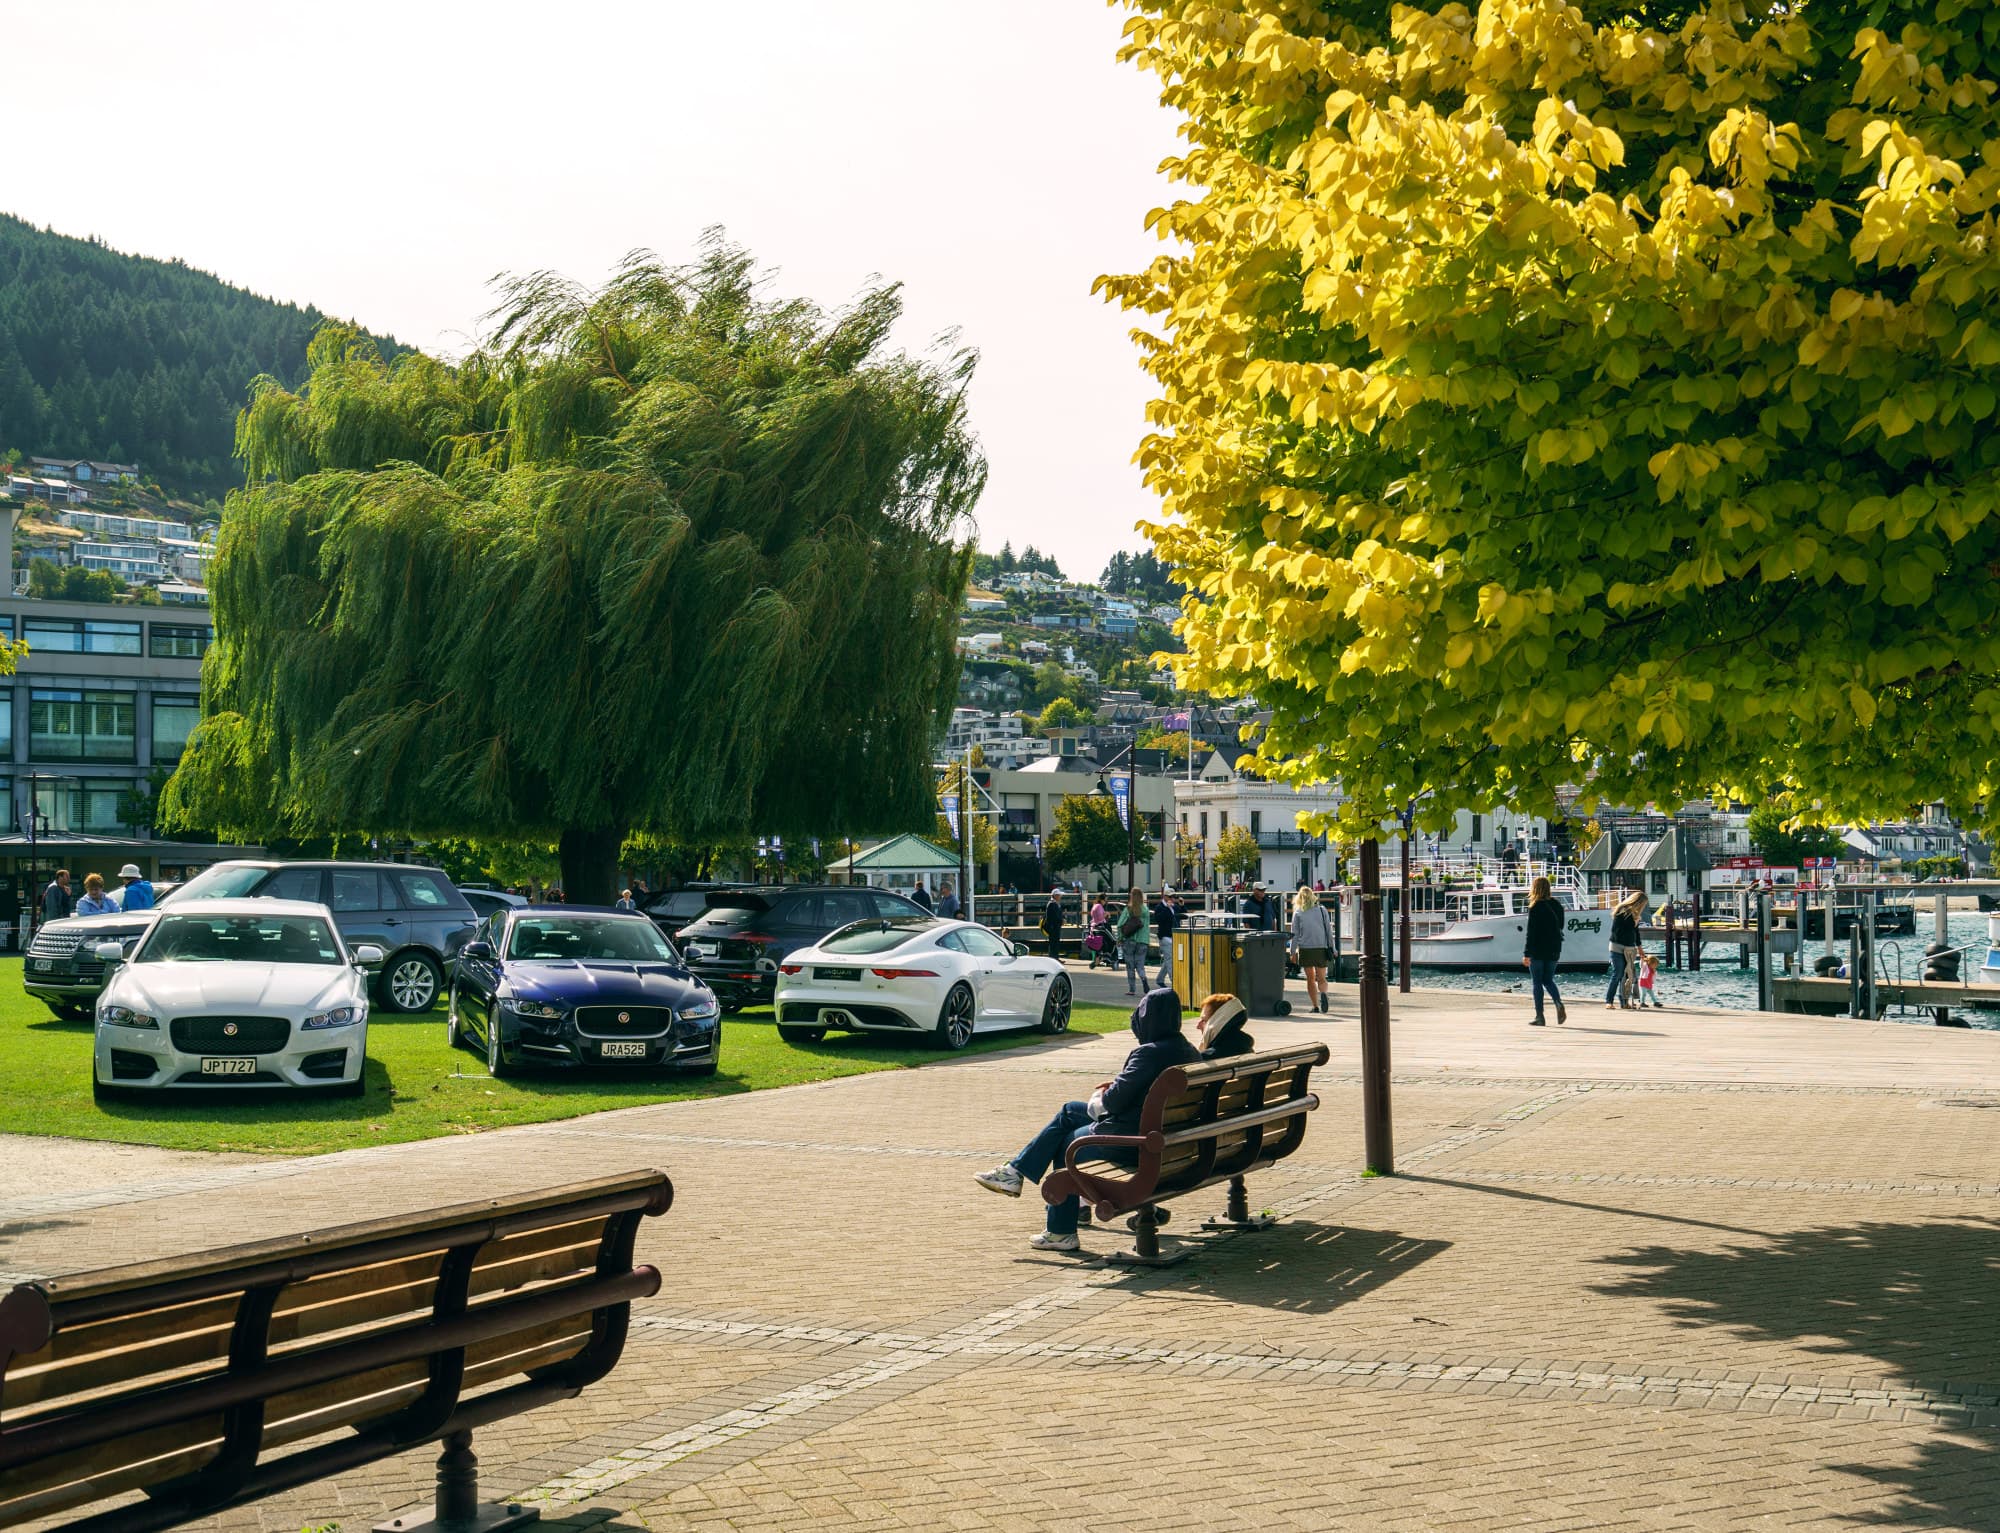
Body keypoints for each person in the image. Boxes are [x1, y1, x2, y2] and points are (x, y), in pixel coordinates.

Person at [972, 989, 1199, 1251]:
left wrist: (1107, 1093)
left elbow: (1113, 1103)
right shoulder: (1188, 1052)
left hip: (1132, 1141)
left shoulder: (1149, 1053)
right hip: (1169, 1142)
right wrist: (1118, 1086)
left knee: (1066, 1140)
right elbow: (1141, 1091)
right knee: (1069, 1112)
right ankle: (1016, 1173)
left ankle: (1058, 1227)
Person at [1521, 874, 1567, 1026]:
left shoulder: (1535, 906)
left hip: (1538, 949)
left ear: (1535, 889)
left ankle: (1540, 1016)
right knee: (1548, 979)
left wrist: (1527, 954)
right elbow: (1561, 926)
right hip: (1554, 947)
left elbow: (1531, 933)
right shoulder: (1557, 905)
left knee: (1537, 982)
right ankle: (1558, 1002)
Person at [1290, 885, 1336, 1014]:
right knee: (1321, 978)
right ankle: (1324, 993)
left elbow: (1295, 934)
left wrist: (1293, 952)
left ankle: (1315, 1006)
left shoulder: (1298, 912)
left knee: (1310, 979)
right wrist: (1333, 948)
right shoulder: (1322, 910)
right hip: (1321, 947)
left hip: (1306, 949)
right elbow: (1328, 931)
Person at [1607, 891, 1646, 1009]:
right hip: (1617, 946)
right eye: (1642, 904)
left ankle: (1624, 1002)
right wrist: (1634, 922)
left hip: (1629, 947)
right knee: (1618, 973)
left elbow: (1636, 933)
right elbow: (1617, 930)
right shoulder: (1622, 910)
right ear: (1637, 902)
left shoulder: (1635, 915)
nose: (1642, 907)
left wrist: (1640, 948)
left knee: (1627, 975)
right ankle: (1609, 1001)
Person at [1195, 992, 1254, 1058]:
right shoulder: (1244, 1046)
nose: (1198, 1026)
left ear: (1219, 1022)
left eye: (1204, 1020)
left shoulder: (1208, 1057)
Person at [1116, 888, 1151, 997]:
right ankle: (1144, 979)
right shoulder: (1146, 910)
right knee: (1140, 965)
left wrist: (1120, 937)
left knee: (1130, 965)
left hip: (1130, 941)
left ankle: (1132, 989)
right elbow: (1147, 927)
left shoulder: (1129, 910)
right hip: (1143, 941)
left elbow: (1119, 925)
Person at [1150, 889, 1179, 990]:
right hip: (1165, 937)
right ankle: (1174, 982)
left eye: (1173, 897)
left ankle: (1160, 979)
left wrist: (1182, 905)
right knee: (1170, 960)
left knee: (1169, 959)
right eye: (1170, 897)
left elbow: (1182, 915)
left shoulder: (1174, 907)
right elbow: (1159, 919)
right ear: (1165, 897)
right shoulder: (1160, 907)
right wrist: (1167, 908)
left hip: (1174, 936)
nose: (1172, 899)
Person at [1039, 889, 1065, 961]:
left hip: (1055, 926)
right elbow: (1053, 917)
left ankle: (1055, 958)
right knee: (1053, 943)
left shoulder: (1055, 903)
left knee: (1055, 943)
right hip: (1053, 927)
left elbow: (1058, 915)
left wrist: (1062, 919)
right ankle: (1053, 958)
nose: (1060, 896)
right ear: (1055, 895)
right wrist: (1061, 920)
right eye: (1059, 895)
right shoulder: (1052, 904)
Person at [1086, 895, 1111, 969]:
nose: (1105, 902)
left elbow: (1095, 917)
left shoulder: (1094, 906)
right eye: (1105, 900)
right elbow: (1100, 917)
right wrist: (1107, 914)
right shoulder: (1099, 906)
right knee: (1108, 942)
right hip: (1102, 927)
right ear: (1101, 900)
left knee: (1098, 944)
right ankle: (1105, 957)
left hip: (1094, 927)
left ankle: (1097, 960)